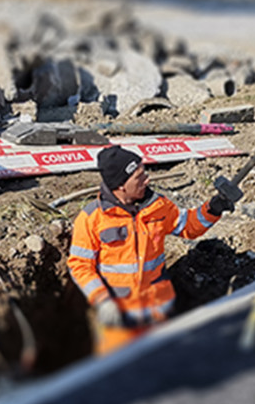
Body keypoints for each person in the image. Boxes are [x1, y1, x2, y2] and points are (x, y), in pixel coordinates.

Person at [67, 145, 234, 355]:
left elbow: (189, 226)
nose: (147, 179)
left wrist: (213, 208)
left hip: (158, 316)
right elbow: (80, 266)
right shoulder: (92, 218)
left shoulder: (158, 206)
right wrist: (102, 300)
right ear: (120, 185)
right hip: (119, 323)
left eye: (144, 172)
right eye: (139, 177)